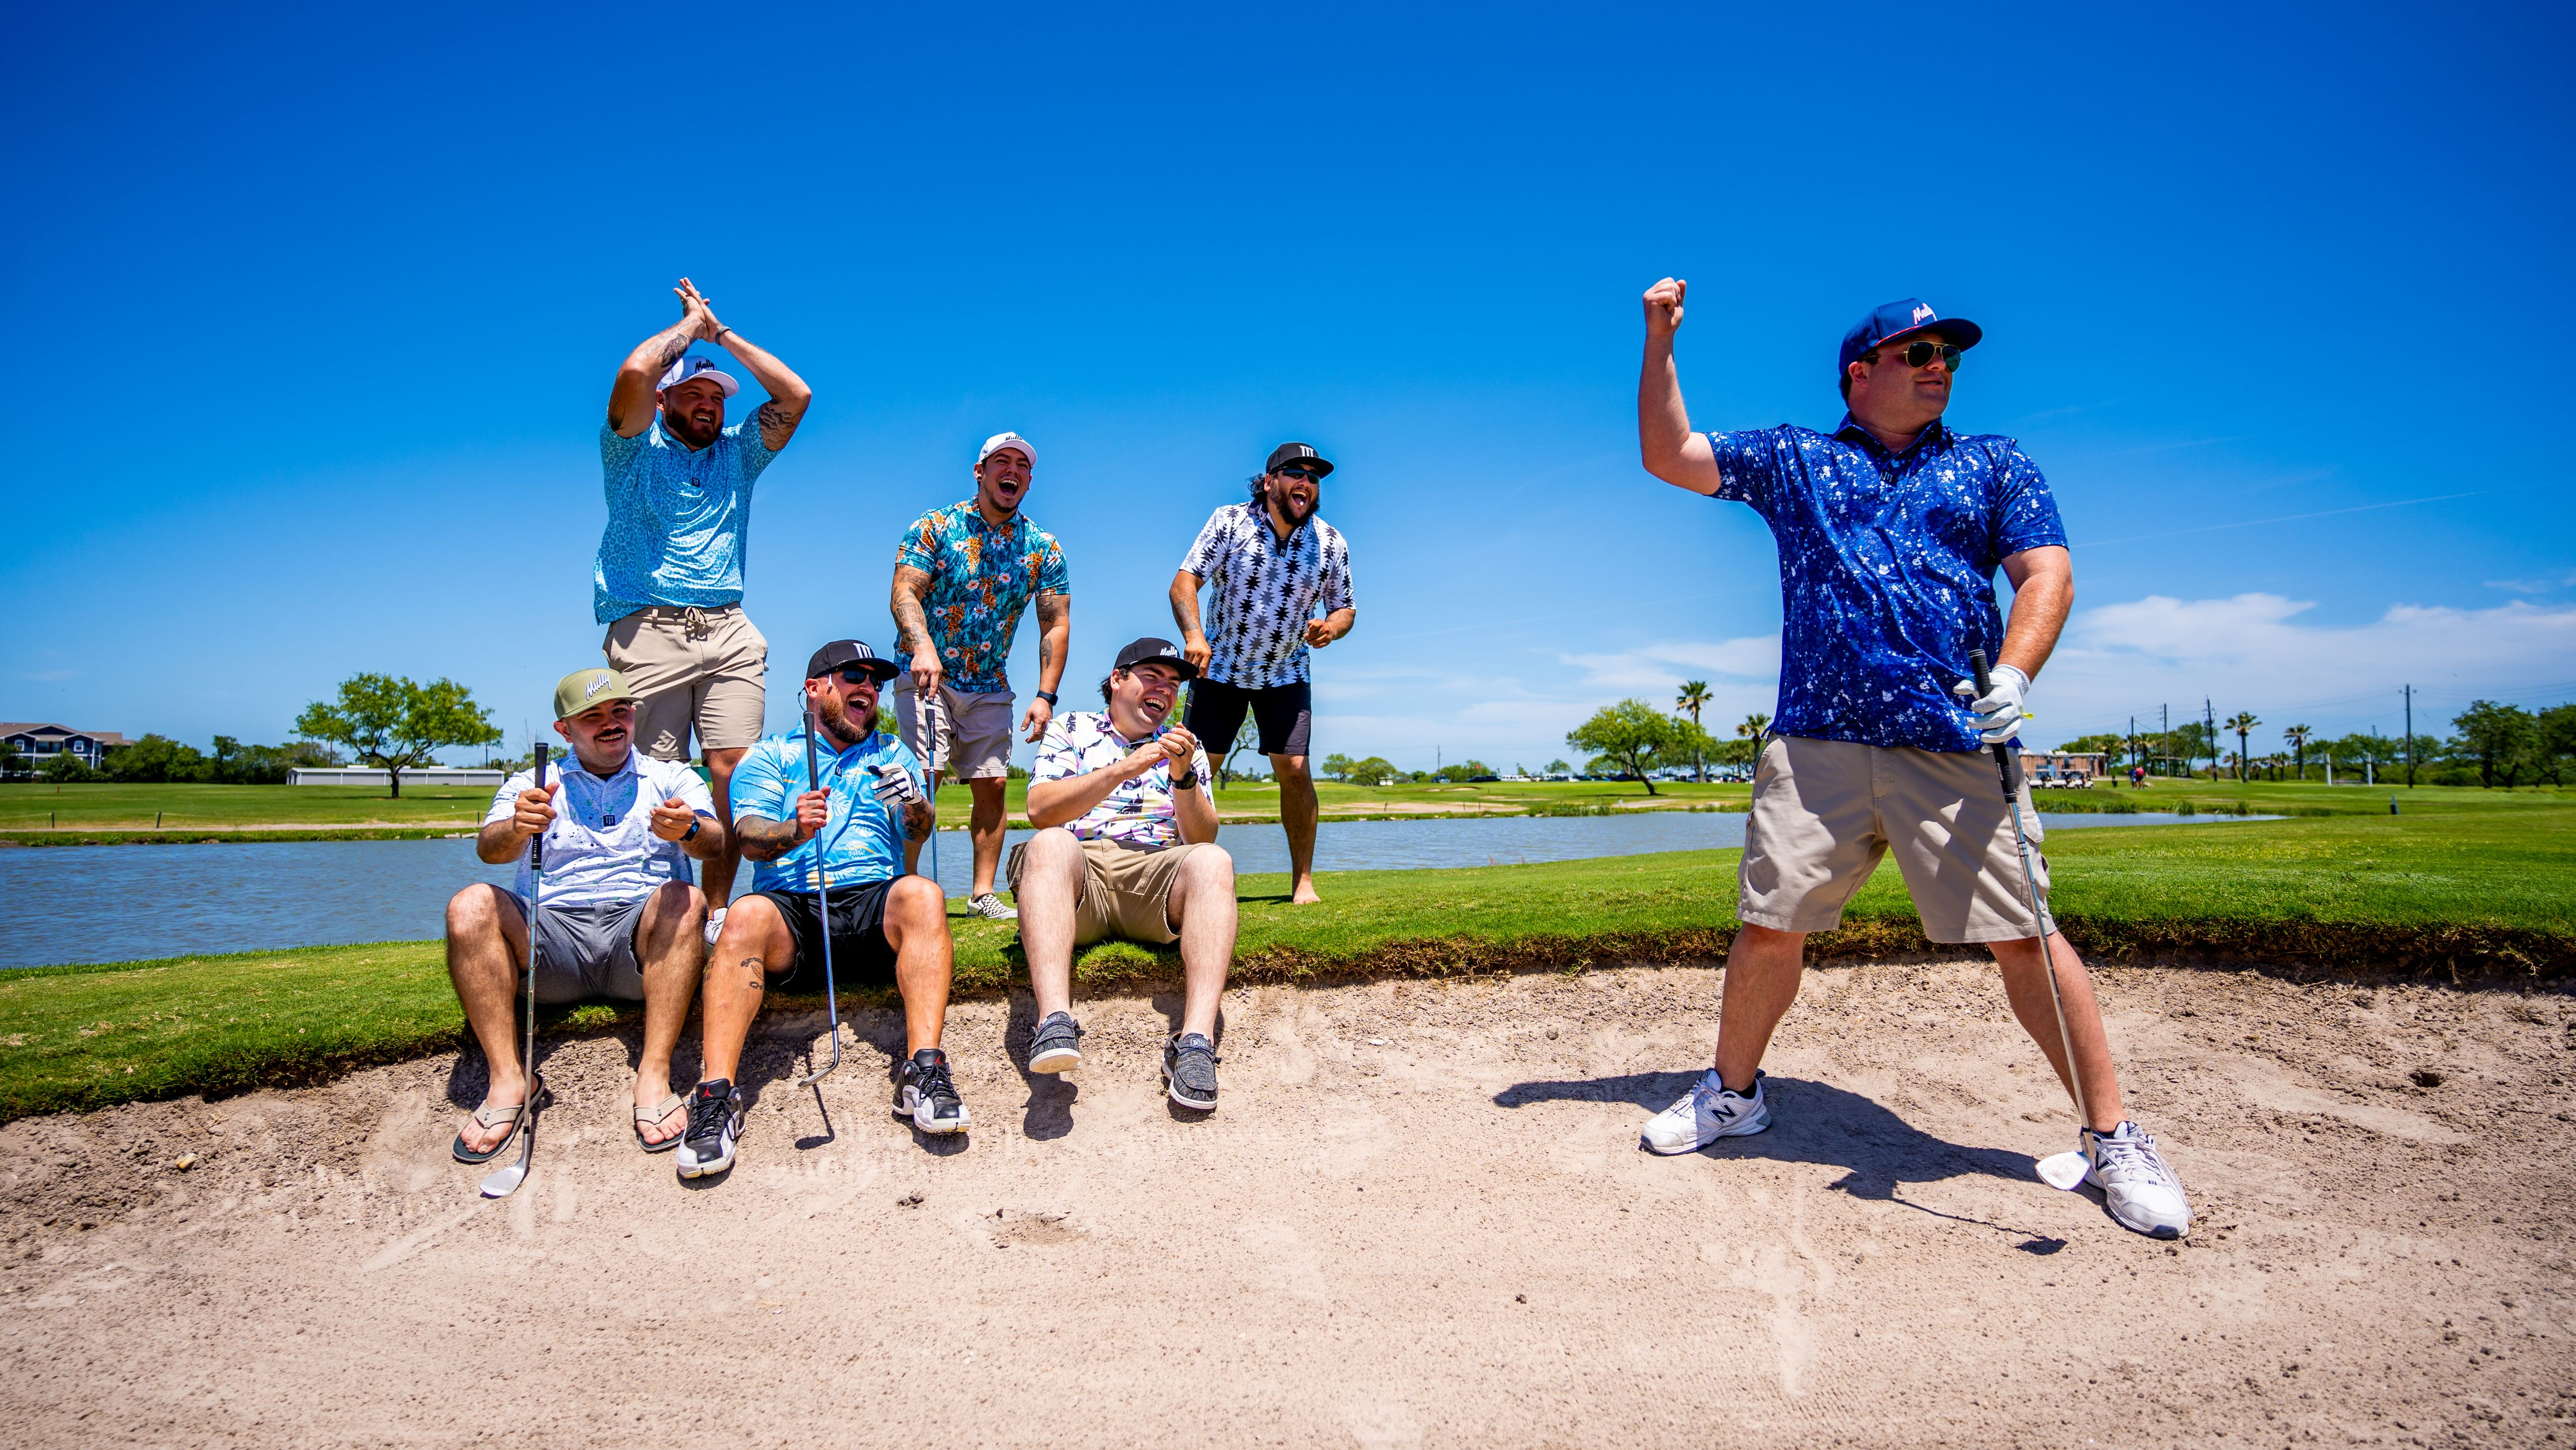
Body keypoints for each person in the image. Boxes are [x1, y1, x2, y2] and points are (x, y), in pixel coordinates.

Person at [1632, 282, 2192, 1239]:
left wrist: (2015, 672)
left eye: (1948, 357)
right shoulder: (1794, 458)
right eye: (1917, 353)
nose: (1940, 369)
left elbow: (2044, 572)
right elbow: (1669, 455)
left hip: (1954, 742)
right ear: (1860, 371)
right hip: (1817, 742)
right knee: (1770, 925)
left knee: (2025, 935)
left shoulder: (1992, 463)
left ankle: (2112, 1140)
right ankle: (1734, 1093)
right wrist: (1660, 343)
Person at [679, 641, 961, 1179]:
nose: (869, 689)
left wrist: (918, 806)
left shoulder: (894, 752)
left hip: (873, 903)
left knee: (922, 894)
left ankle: (923, 1071)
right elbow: (750, 838)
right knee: (743, 916)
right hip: (794, 908)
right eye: (853, 676)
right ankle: (715, 1097)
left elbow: (917, 833)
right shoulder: (770, 756)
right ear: (814, 689)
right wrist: (795, 828)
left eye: (876, 682)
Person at [596, 278, 813, 945]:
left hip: (728, 628)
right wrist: (687, 328)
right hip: (648, 628)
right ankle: (657, 911)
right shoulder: (631, 449)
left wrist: (721, 337)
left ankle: (717, 916)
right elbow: (635, 370)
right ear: (665, 399)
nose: (707, 406)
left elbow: (796, 395)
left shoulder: (738, 456)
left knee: (731, 770)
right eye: (693, 393)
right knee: (657, 777)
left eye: (716, 397)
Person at [445, 668, 725, 1161]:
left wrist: (687, 830)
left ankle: (655, 1074)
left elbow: (716, 841)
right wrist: (516, 826)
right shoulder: (535, 780)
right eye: (592, 716)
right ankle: (510, 1079)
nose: (611, 723)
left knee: (687, 897)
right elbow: (489, 849)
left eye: (620, 710)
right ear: (565, 729)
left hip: (638, 942)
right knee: (469, 905)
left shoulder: (671, 775)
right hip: (551, 939)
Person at [1009, 638, 1234, 1112]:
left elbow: (1202, 837)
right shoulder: (1071, 726)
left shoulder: (1185, 746)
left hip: (1152, 874)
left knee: (1215, 863)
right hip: (1077, 871)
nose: (1165, 690)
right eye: (1152, 676)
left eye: (1173, 683)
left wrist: (1183, 777)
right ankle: (1054, 1021)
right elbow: (1039, 808)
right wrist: (1125, 766)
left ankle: (1194, 1043)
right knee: (1049, 842)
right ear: (1117, 680)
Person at [889, 431, 1070, 921]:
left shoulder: (1043, 547)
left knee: (991, 785)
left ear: (1029, 480)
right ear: (980, 471)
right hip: (928, 675)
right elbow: (905, 591)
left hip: (990, 682)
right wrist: (922, 646)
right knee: (919, 783)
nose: (1012, 471)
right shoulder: (935, 526)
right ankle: (906, 888)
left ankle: (980, 895)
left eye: (1022, 466)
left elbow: (1055, 621)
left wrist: (1045, 694)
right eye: (1001, 462)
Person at [1171, 442, 1355, 906]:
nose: (1307, 483)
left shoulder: (1330, 541)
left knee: (1295, 770)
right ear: (1270, 480)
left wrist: (1330, 628)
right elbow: (1184, 582)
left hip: (1286, 673)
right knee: (1196, 772)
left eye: (1315, 478)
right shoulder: (1229, 521)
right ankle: (1178, 881)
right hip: (1221, 669)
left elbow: (1346, 607)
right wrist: (1195, 636)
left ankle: (1303, 884)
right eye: (1297, 473)